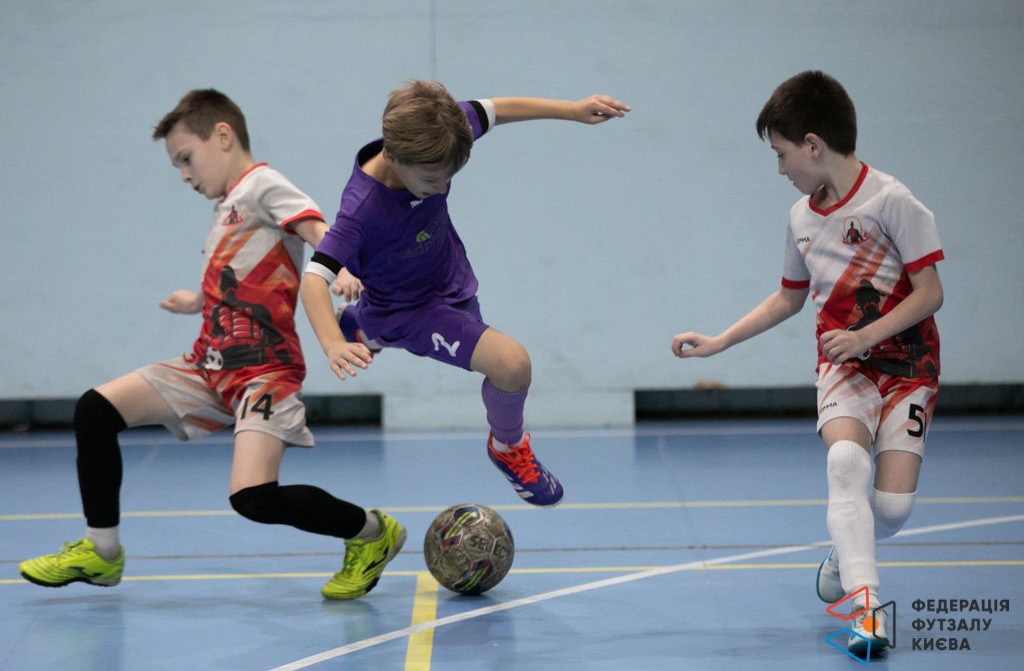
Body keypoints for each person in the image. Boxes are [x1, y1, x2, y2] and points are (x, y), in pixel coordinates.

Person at [19, 89, 402, 601]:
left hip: (264, 371)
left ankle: (372, 533)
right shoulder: (227, 206)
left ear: (222, 136)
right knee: (95, 411)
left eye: (186, 158)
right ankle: (102, 553)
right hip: (207, 364)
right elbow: (241, 279)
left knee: (254, 498)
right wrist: (197, 301)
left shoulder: (262, 184)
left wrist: (341, 267)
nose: (184, 175)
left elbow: (314, 227)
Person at [670, 71, 943, 657]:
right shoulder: (800, 218)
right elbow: (788, 299)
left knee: (892, 509)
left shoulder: (894, 202)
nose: (780, 169)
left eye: (781, 153)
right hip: (844, 368)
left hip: (909, 368)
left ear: (813, 145)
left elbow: (930, 293)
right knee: (845, 462)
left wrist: (866, 334)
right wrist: (720, 342)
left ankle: (847, 547)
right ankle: (869, 613)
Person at [301, 80, 629, 512]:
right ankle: (508, 447)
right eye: (431, 180)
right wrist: (330, 343)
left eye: (449, 178)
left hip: (451, 278)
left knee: (483, 354)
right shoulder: (361, 209)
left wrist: (572, 109)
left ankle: (365, 329)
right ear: (393, 157)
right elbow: (313, 279)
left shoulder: (438, 129)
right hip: (409, 310)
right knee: (512, 365)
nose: (441, 189)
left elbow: (498, 107)